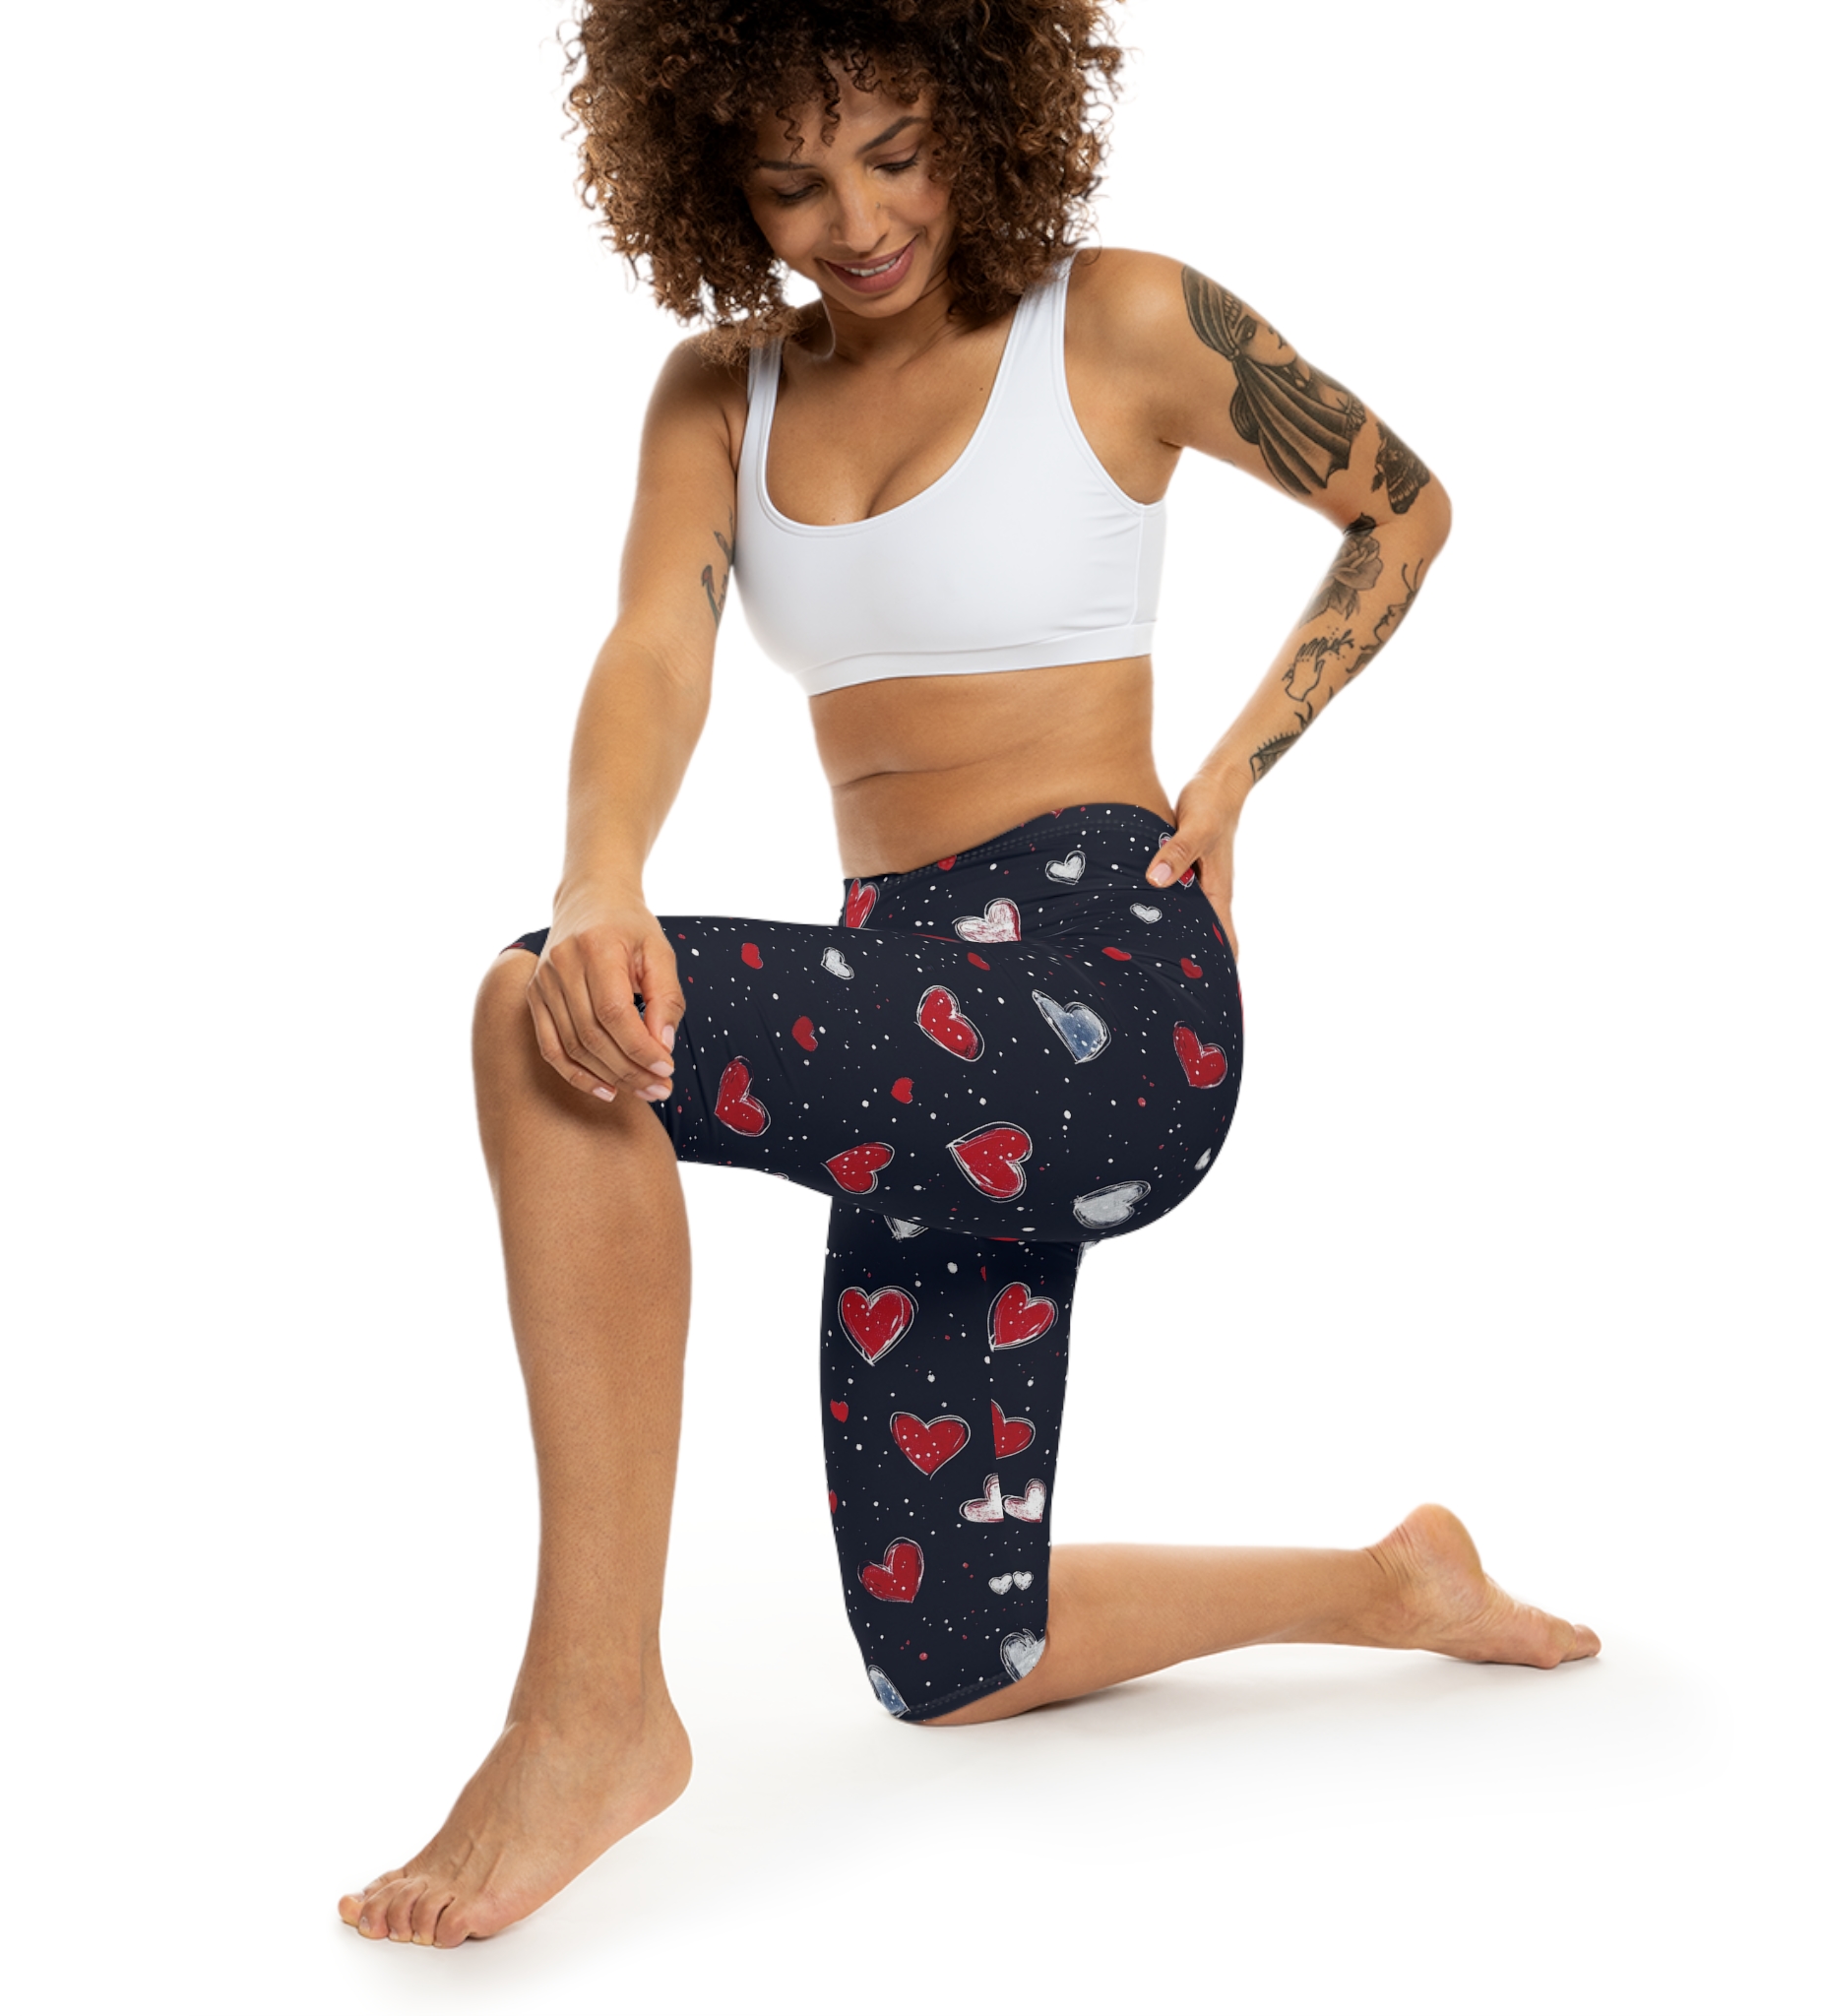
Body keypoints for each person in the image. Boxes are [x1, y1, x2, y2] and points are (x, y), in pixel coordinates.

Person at [339, 0, 1597, 1949]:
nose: (856, 222)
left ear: (984, 107)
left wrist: (1232, 774)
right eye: (791, 182)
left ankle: (589, 1715)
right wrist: (603, 875)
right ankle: (1387, 1583)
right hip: (911, 1008)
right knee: (951, 1654)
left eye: (897, 153)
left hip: (1107, 987)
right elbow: (654, 647)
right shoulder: (720, 396)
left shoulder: (1118, 321)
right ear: (710, 178)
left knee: (542, 1022)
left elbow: (1400, 504)